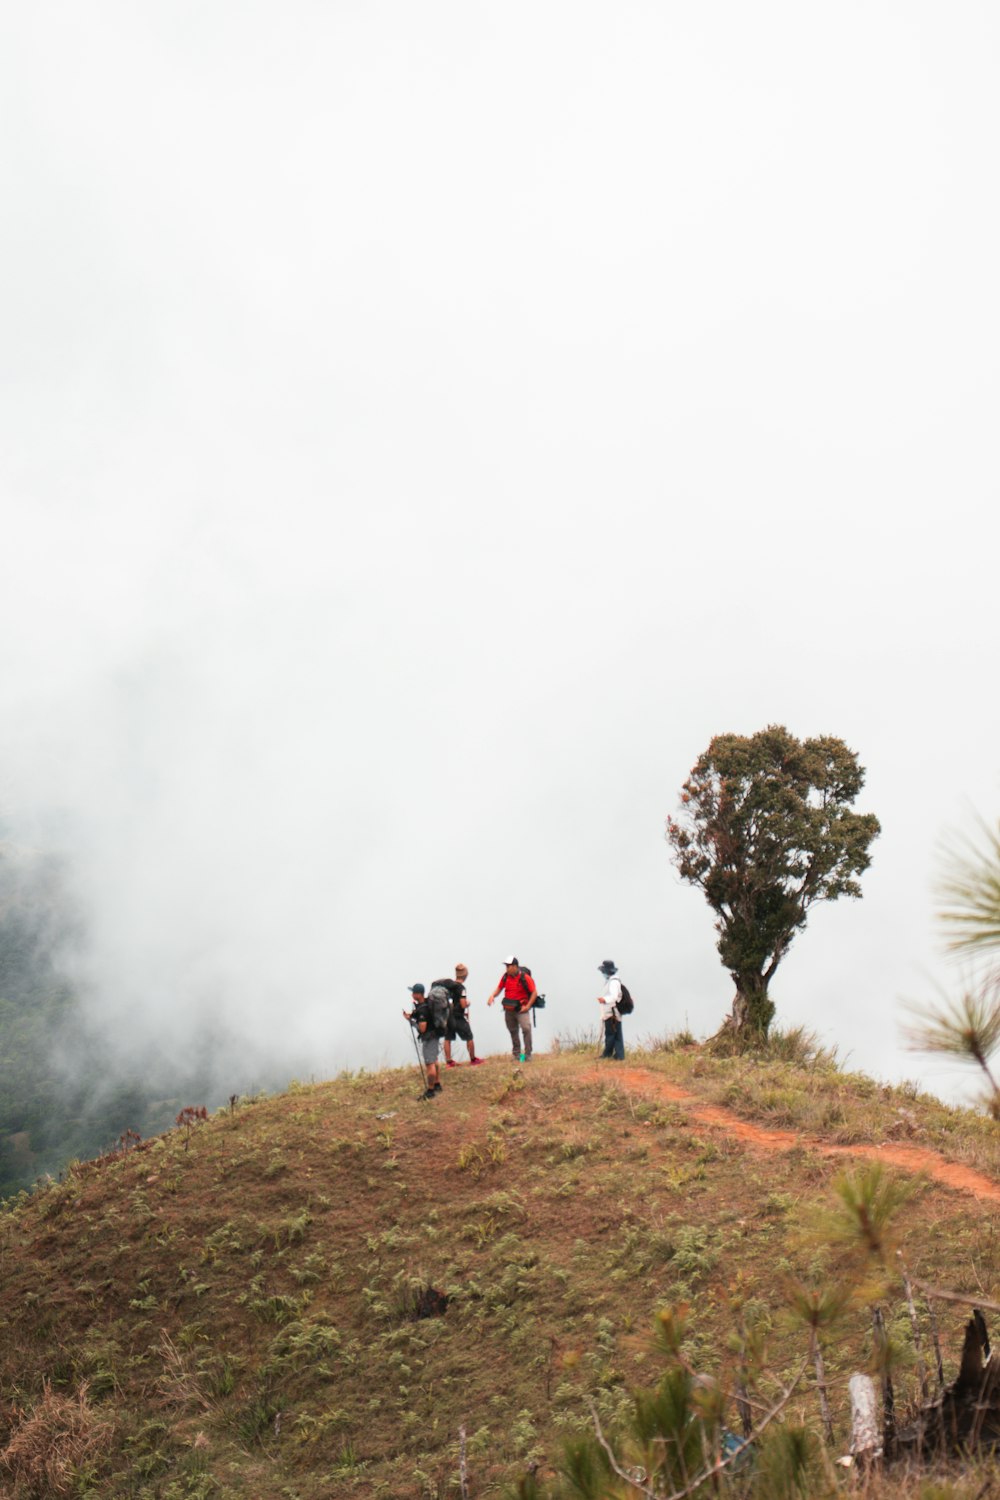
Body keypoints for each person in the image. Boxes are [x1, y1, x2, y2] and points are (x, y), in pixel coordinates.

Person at [487, 955, 536, 1061]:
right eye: (506, 966)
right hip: (509, 1009)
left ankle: (528, 1054)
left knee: (526, 1028)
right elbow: (499, 988)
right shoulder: (505, 977)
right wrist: (492, 996)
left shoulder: (525, 977)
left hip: (521, 1009)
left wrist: (527, 1006)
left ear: (515, 966)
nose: (507, 968)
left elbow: (534, 993)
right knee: (513, 1031)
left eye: (508, 966)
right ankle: (516, 1054)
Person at [403, 983, 442, 1098]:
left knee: (430, 1064)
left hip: (429, 1038)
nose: (412, 994)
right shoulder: (426, 1004)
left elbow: (422, 1028)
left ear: (418, 994)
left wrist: (412, 1022)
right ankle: (437, 1084)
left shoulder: (423, 1010)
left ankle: (430, 1091)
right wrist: (412, 1016)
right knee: (434, 1060)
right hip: (435, 1036)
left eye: (413, 992)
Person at [441, 963, 483, 1067]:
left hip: (448, 1015)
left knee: (447, 1038)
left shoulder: (449, 986)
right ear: (465, 975)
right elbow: (463, 1004)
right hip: (458, 1016)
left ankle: (449, 1062)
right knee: (469, 1037)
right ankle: (473, 1059)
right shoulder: (461, 988)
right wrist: (468, 1003)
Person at [597, 959, 625, 1059]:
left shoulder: (613, 982)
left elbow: (613, 996)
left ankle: (609, 1054)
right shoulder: (613, 981)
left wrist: (604, 999)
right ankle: (617, 1055)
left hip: (612, 1012)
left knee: (611, 1034)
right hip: (614, 1012)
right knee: (616, 1034)